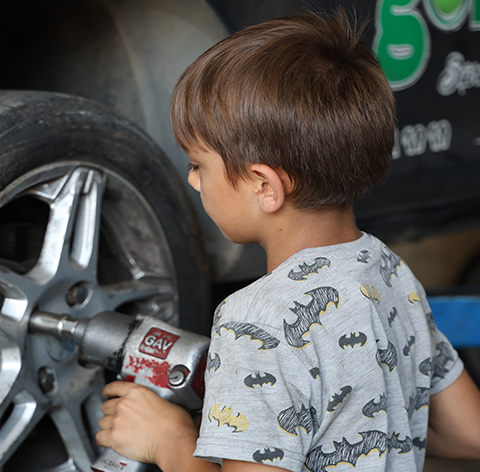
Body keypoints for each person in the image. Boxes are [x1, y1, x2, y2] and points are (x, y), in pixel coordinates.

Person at [94, 10, 480, 472]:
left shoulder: (254, 321)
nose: (194, 182)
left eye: (198, 165)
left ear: (265, 186)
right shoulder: (391, 270)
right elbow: (470, 434)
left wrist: (170, 440)